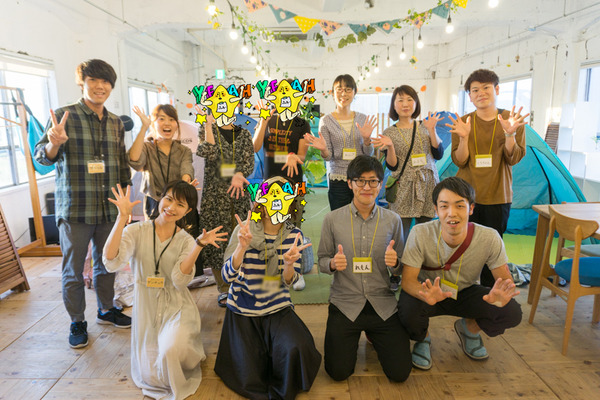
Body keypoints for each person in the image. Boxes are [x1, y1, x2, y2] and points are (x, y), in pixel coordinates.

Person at [34, 59, 132, 348]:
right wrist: (54, 142)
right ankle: (77, 321)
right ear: (82, 83)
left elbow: (121, 165)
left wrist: (124, 207)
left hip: (108, 208)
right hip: (76, 208)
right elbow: (41, 157)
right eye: (93, 81)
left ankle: (106, 309)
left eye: (105, 82)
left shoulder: (116, 123)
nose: (100, 86)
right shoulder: (63, 116)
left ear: (111, 86)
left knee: (107, 263)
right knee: (73, 270)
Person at [103, 181, 226, 400]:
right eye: (168, 199)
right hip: (146, 307)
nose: (171, 207)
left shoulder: (186, 240)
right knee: (152, 375)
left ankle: (188, 349)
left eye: (180, 204)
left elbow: (179, 279)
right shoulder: (136, 230)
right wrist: (122, 218)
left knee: (171, 351)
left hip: (176, 306)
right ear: (160, 199)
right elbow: (111, 261)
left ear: (188, 211)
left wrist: (198, 245)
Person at [398, 177, 522, 370]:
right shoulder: (420, 233)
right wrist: (424, 293)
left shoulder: (489, 237)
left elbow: (506, 281)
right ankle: (423, 338)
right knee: (406, 312)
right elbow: (407, 281)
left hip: (465, 292)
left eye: (459, 206)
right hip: (429, 291)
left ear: (471, 208)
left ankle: (469, 330)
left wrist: (501, 295)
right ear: (435, 209)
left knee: (511, 311)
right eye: (444, 206)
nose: (451, 213)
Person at [215, 177, 321, 399]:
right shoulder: (243, 231)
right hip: (243, 309)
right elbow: (226, 277)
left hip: (277, 307)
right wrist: (241, 249)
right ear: (260, 204)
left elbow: (288, 282)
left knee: (297, 348)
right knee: (250, 374)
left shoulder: (294, 235)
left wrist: (289, 265)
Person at [317, 155, 412, 382]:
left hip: (382, 303)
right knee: (338, 372)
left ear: (380, 184)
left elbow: (401, 269)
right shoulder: (332, 219)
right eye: (360, 181)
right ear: (349, 183)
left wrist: (395, 264)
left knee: (400, 373)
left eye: (373, 181)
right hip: (345, 302)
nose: (367, 187)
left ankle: (373, 334)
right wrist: (332, 264)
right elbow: (321, 261)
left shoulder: (393, 220)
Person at [448, 69, 529, 287]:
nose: (481, 93)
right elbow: (460, 161)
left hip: (497, 195)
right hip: (466, 197)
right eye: (475, 90)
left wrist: (510, 134)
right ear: (470, 96)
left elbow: (513, 158)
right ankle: (464, 289)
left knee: (493, 248)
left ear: (497, 90)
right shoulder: (463, 122)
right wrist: (463, 138)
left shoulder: (511, 120)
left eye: (486, 88)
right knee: (464, 244)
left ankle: (487, 291)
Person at [196, 113, 254, 307]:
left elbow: (249, 163)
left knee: (241, 238)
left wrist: (239, 173)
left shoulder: (244, 134)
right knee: (216, 241)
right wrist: (208, 125)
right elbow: (208, 152)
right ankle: (223, 288)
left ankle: (242, 284)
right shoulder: (207, 130)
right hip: (214, 197)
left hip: (238, 195)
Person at [373, 85, 444, 241]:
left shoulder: (426, 126)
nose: (405, 104)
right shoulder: (389, 132)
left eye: (410, 99)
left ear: (416, 103)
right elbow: (393, 166)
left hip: (427, 184)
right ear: (394, 105)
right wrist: (390, 147)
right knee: (400, 232)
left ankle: (424, 257)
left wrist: (432, 130)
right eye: (400, 100)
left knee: (427, 232)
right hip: (403, 185)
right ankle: (400, 256)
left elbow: (438, 154)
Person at [304, 74, 377, 211]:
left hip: (361, 178)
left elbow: (368, 154)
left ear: (354, 92)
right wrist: (324, 149)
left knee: (363, 216)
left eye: (348, 89)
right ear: (332, 93)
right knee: (340, 218)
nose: (343, 94)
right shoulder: (326, 121)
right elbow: (328, 157)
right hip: (337, 179)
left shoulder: (362, 118)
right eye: (339, 89)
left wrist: (367, 140)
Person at [128, 104, 194, 219]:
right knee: (153, 230)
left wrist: (185, 185)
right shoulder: (147, 147)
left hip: (177, 200)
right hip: (153, 204)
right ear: (153, 124)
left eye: (171, 119)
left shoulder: (184, 150)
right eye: (161, 119)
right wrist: (144, 127)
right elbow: (134, 161)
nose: (167, 123)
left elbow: (186, 169)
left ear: (176, 125)